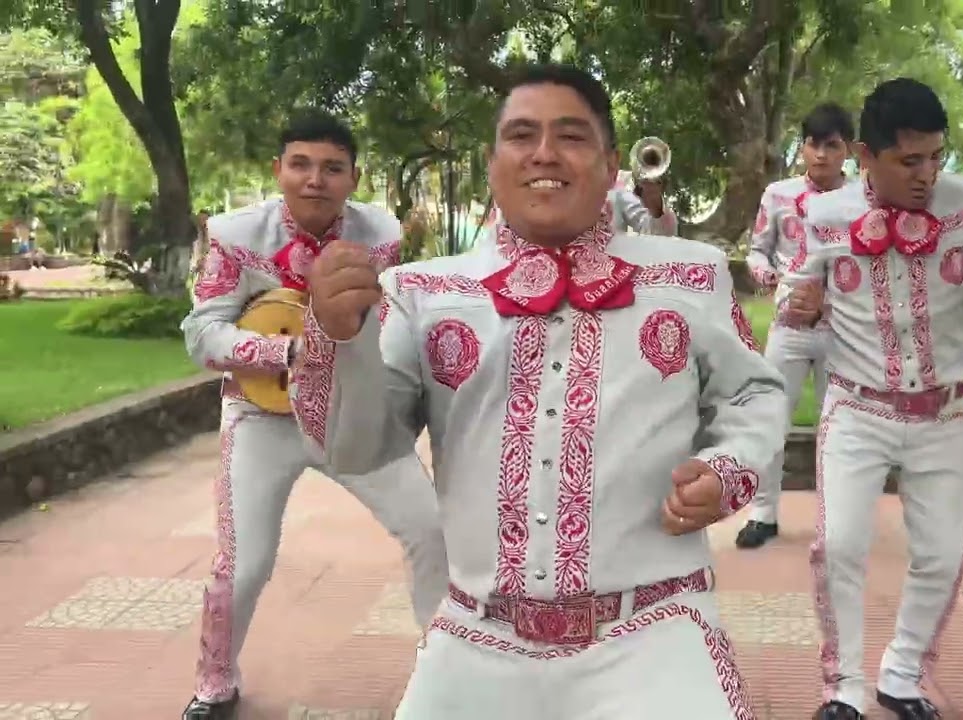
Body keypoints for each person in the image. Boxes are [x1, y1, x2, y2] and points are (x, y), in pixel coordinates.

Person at [288, 63, 789, 719]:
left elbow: (756, 395)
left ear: (611, 165)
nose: (544, 153)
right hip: (478, 633)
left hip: (653, 629)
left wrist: (727, 471)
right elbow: (354, 449)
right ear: (493, 164)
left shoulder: (687, 277)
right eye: (521, 135)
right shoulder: (424, 293)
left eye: (572, 136)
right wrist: (336, 339)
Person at [780, 79, 963, 720]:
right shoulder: (826, 215)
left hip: (945, 413)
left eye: (935, 156)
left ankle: (904, 674)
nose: (927, 174)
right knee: (838, 547)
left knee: (940, 554)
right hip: (857, 409)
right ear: (864, 154)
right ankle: (844, 688)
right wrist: (798, 305)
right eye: (909, 160)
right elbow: (795, 293)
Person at [178, 110, 449, 720]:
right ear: (278, 171)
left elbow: (386, 325)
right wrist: (287, 351)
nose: (314, 180)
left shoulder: (379, 236)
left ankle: (449, 665)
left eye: (332, 168)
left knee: (429, 527)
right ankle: (214, 682)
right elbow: (202, 334)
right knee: (243, 563)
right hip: (261, 418)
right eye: (300, 164)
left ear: (354, 177)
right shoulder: (234, 234)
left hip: (350, 417)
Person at [735, 102, 854, 550]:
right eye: (812, 144)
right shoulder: (777, 195)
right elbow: (756, 253)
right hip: (788, 326)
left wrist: (828, 299)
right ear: (801, 147)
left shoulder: (864, 203)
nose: (821, 154)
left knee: (840, 428)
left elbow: (870, 267)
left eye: (832, 145)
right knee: (770, 419)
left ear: (848, 151)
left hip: (843, 332)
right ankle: (763, 515)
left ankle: (834, 521)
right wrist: (781, 286)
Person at [476, 154, 678, 249]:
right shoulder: (529, 193)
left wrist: (655, 208)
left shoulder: (616, 193)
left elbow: (660, 235)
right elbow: (495, 248)